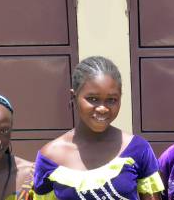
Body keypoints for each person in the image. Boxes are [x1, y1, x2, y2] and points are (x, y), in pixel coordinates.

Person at [33, 56, 164, 200]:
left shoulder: (138, 149)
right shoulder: (50, 157)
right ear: (74, 96)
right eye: (93, 99)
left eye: (111, 100)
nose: (102, 108)